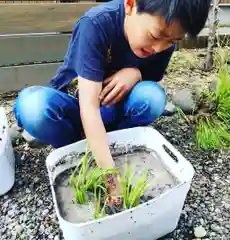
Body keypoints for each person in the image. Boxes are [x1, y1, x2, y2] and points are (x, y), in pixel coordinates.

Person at [14, 0, 211, 206]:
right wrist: (111, 179)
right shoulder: (97, 24)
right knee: (33, 107)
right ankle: (76, 152)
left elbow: (149, 81)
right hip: (74, 107)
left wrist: (136, 73)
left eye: (173, 41)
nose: (159, 48)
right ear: (130, 5)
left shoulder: (163, 41)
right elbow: (88, 106)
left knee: (152, 98)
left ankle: (113, 147)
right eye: (155, 36)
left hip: (110, 110)